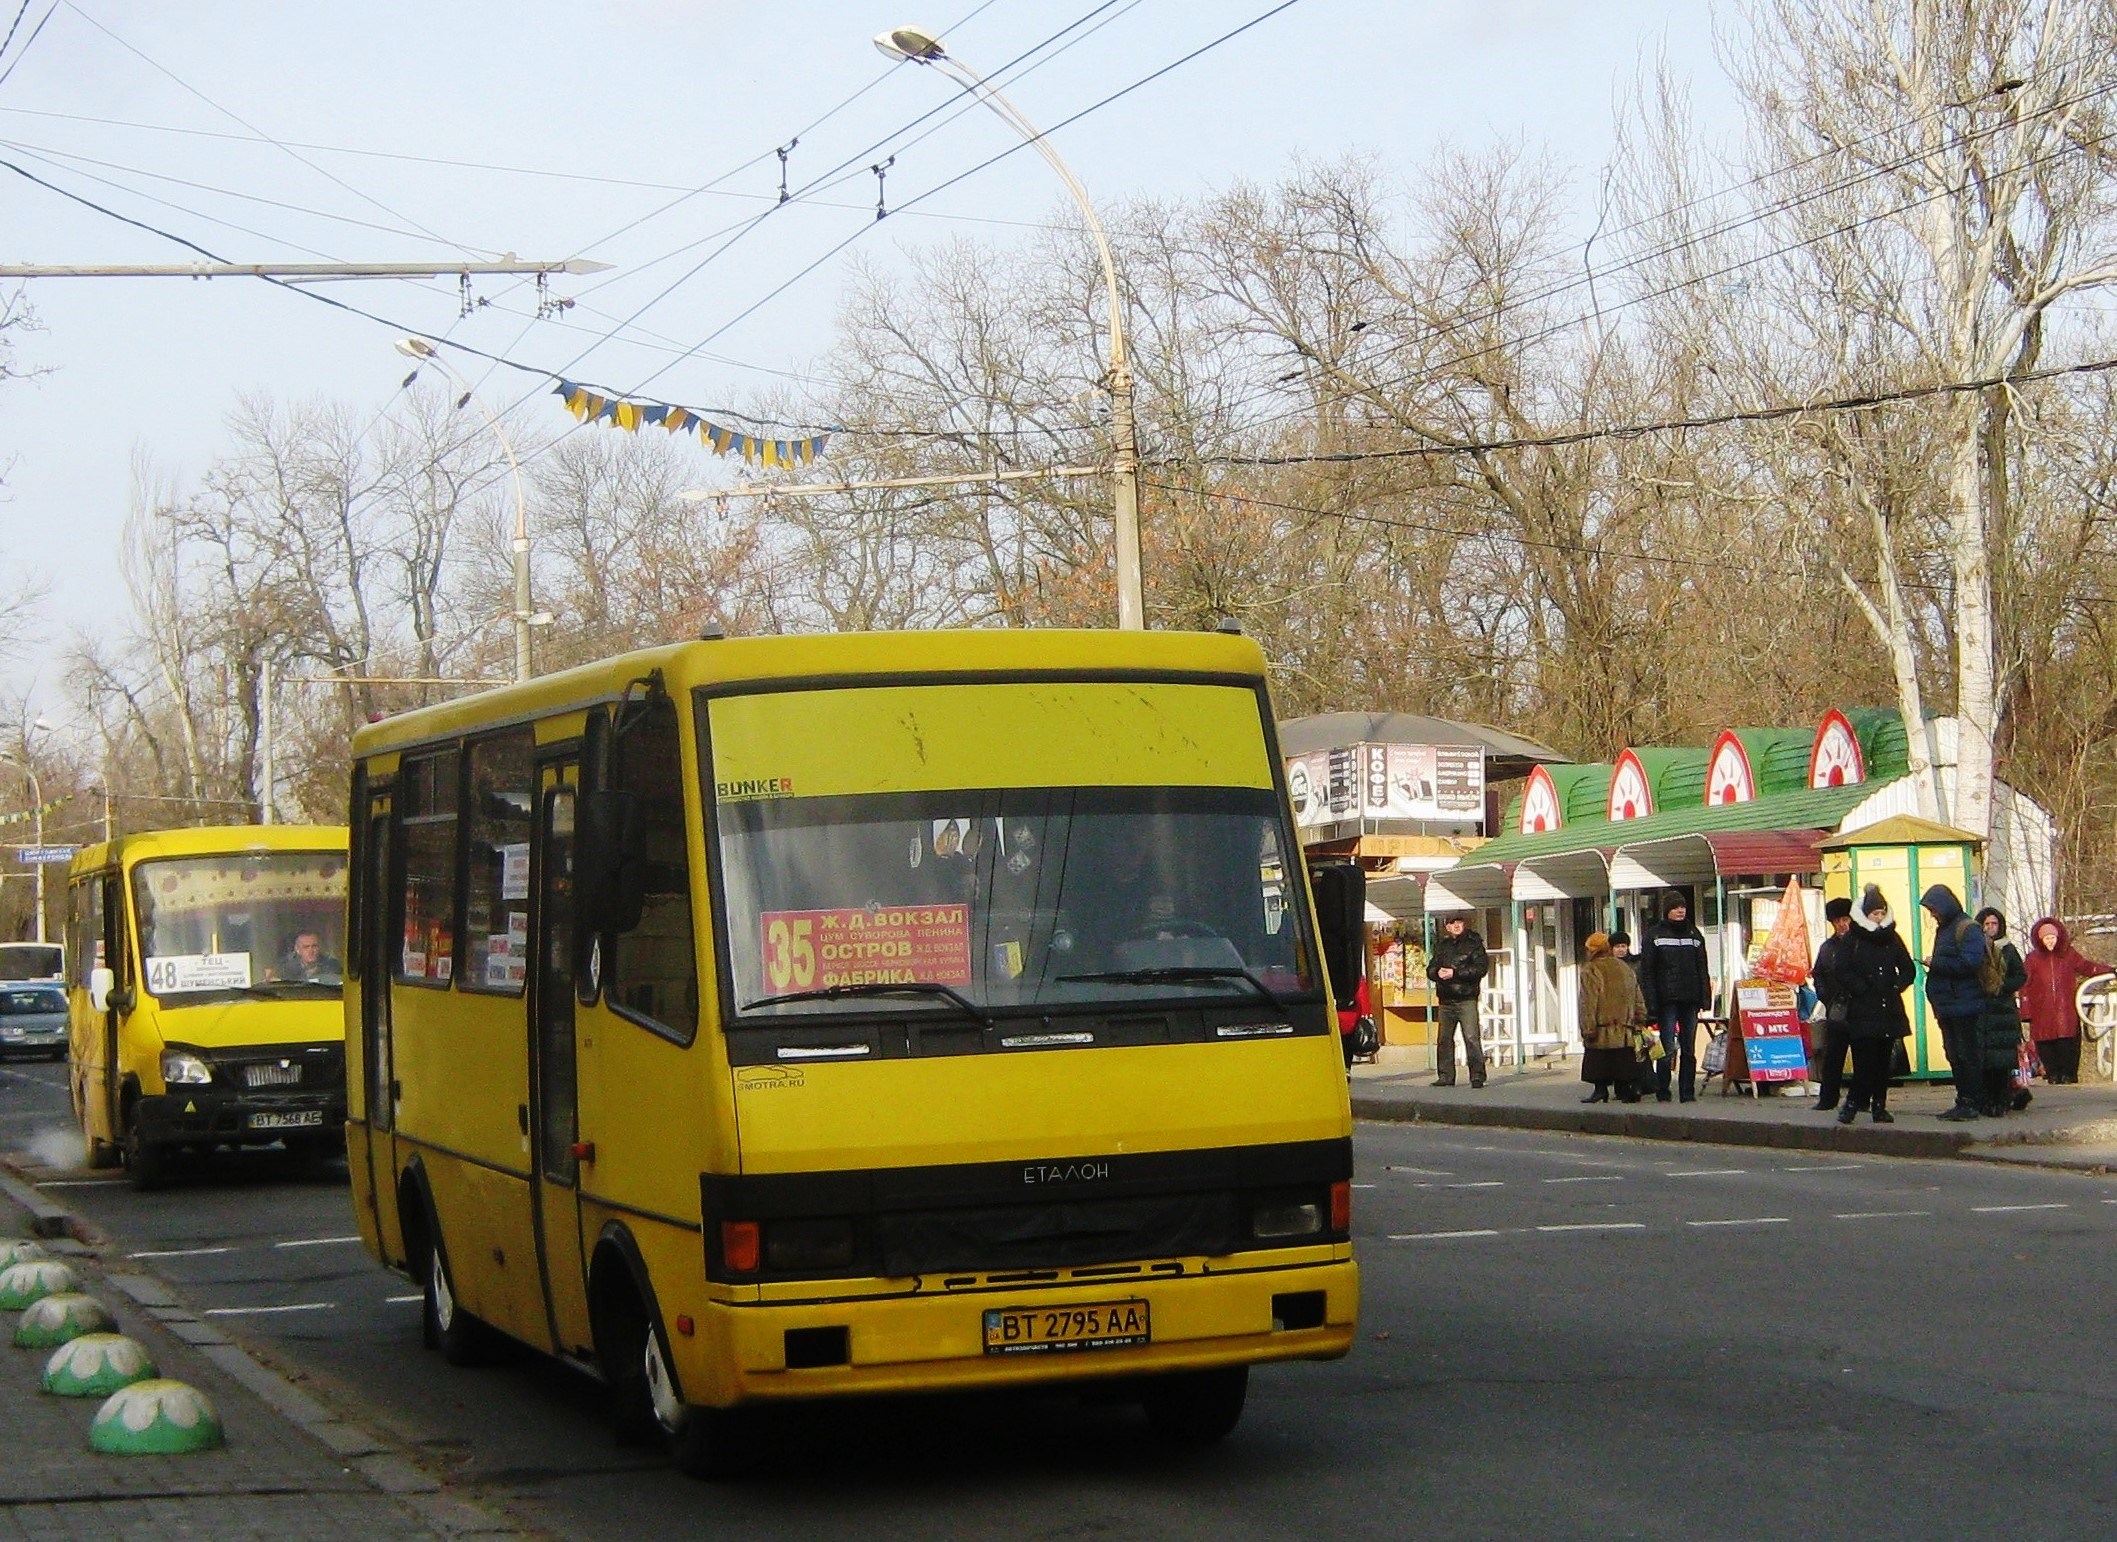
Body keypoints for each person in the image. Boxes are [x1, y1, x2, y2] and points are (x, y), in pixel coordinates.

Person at [1839, 885, 1915, 1123]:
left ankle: (1879, 1106)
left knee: (1883, 1062)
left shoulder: (1892, 938)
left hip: (1888, 1008)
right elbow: (1841, 969)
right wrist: (1860, 987)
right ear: (1866, 914)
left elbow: (1908, 968)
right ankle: (1852, 1104)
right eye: (1875, 914)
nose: (1879, 918)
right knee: (1864, 1061)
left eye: (1882, 913)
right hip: (1862, 1009)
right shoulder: (1853, 938)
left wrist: (1896, 985)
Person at [1920, 883, 1989, 1122]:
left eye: (1934, 909)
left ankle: (1971, 1101)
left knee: (1965, 1053)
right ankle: (1964, 1099)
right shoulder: (1946, 928)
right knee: (1954, 1053)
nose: (1932, 915)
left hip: (1964, 1002)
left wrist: (1935, 964)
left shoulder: (1967, 928)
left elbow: (1970, 964)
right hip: (1948, 1003)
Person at [2021, 917, 2114, 1085]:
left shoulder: (2068, 954)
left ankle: (2068, 1076)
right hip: (2042, 1012)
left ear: (2058, 938)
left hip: (2066, 1011)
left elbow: (2086, 967)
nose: (2050, 941)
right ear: (2040, 939)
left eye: (2052, 937)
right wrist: (2026, 1012)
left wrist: (2109, 970)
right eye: (2047, 938)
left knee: (2067, 1044)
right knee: (2046, 1045)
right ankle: (2053, 1074)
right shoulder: (2032, 959)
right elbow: (2024, 985)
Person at [1640, 890, 1712, 1103]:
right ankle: (1663, 1090)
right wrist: (1651, 1004)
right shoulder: (1654, 935)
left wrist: (1705, 997)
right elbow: (1648, 973)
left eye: (1683, 907)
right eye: (1675, 907)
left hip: (1690, 999)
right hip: (1666, 1000)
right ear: (1667, 911)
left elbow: (1702, 968)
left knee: (1688, 1048)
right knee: (1667, 1047)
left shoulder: (1694, 934)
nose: (1680, 910)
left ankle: (1687, 1092)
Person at [1577, 932, 1646, 1103]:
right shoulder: (1624, 967)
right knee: (1623, 1059)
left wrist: (1587, 1026)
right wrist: (1639, 1018)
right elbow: (1637, 995)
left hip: (1602, 1025)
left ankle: (1600, 1090)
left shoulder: (1591, 969)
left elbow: (1589, 1000)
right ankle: (1628, 1090)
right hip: (1624, 1025)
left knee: (1597, 1059)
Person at [1975, 908, 2029, 1116]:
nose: (1990, 928)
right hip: (1983, 1008)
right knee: (1985, 1059)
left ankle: (2002, 1097)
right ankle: (1989, 1098)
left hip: (2003, 1010)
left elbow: (2020, 975)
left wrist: (2002, 986)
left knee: (2002, 1059)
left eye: (1994, 924)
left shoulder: (2008, 949)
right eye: (1986, 924)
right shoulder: (1976, 948)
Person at [1425, 913, 1489, 1089]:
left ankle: (1477, 1076)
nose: (1456, 926)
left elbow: (1480, 968)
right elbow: (1431, 967)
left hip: (1466, 998)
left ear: (1464, 924)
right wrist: (1436, 973)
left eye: (1459, 922)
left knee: (1471, 1038)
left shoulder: (1474, 943)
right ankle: (1445, 1076)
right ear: (1447, 927)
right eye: (1452, 923)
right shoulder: (1442, 946)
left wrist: (1456, 973)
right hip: (1446, 999)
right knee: (1444, 1039)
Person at [1810, 897, 1856, 1112]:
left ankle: (1862, 1099)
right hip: (1835, 1008)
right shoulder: (1827, 947)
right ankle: (1828, 1098)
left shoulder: (1859, 944)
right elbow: (1817, 973)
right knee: (1833, 1056)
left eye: (1845, 919)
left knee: (1863, 1057)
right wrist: (1825, 996)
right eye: (1837, 921)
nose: (1842, 925)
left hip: (1859, 1008)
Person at [277, 929, 343, 982]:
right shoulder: (286, 970)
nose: (311, 951)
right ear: (297, 950)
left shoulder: (332, 966)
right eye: (306, 947)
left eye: (314, 946)